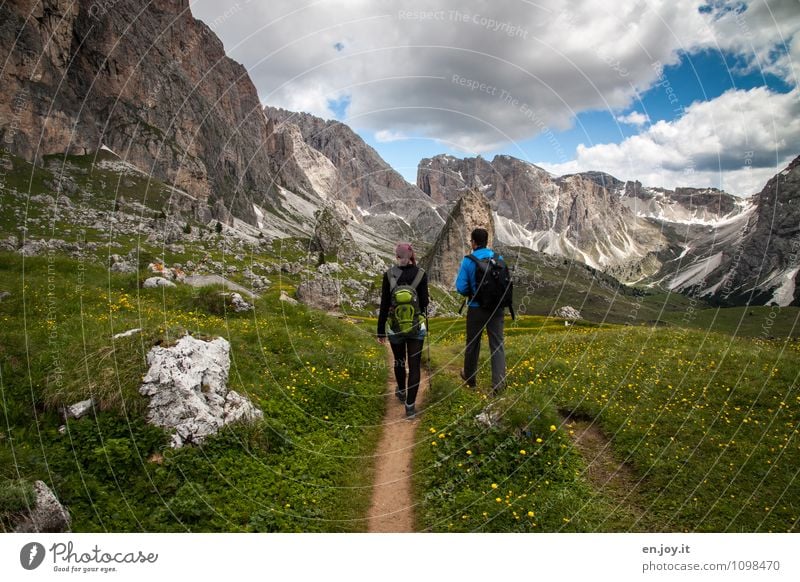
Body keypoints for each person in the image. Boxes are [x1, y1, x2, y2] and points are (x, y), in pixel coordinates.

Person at [377, 243, 429, 419]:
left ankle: (401, 391)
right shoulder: (421, 274)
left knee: (399, 361)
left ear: (397, 256)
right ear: (411, 255)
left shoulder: (389, 274)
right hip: (416, 327)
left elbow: (384, 305)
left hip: (394, 327)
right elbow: (424, 303)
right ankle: (410, 407)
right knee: (415, 366)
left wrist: (380, 331)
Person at [455, 228, 506, 394]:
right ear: (487, 241)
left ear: (474, 242)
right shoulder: (498, 258)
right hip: (497, 308)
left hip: (476, 308)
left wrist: (473, 290)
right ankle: (498, 385)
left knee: (473, 344)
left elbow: (461, 288)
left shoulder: (469, 261)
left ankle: (470, 380)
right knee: (497, 345)